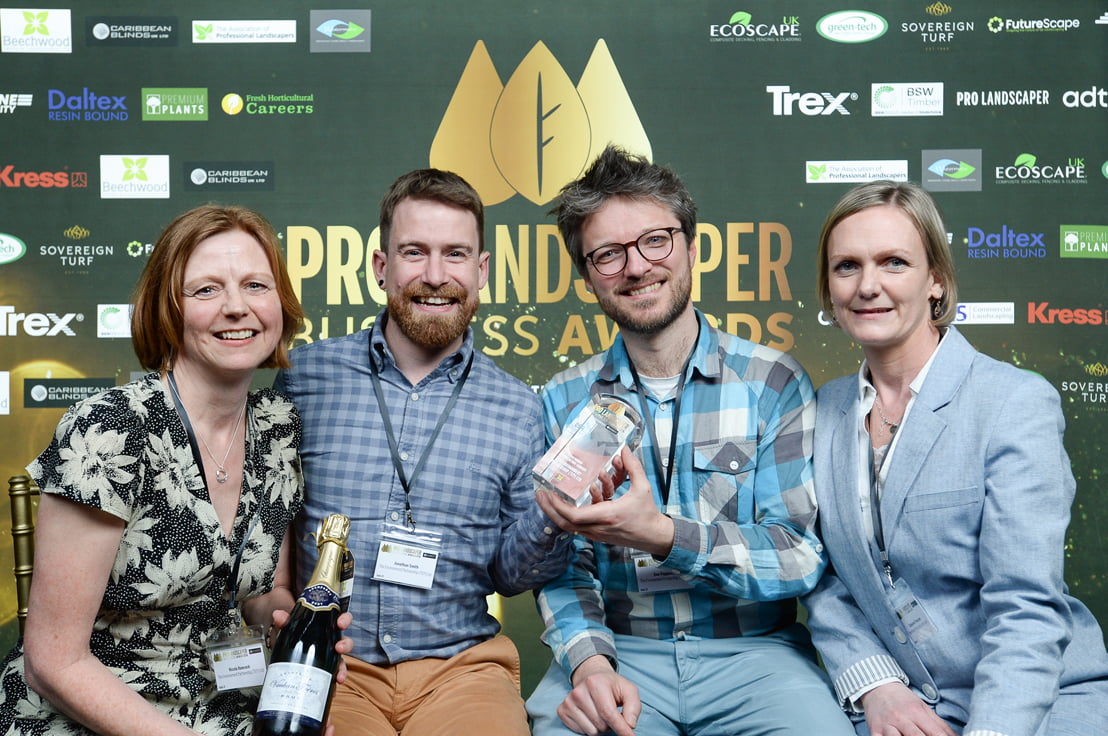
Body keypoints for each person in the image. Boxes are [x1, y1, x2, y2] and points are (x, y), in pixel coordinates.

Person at [526, 145, 854, 736]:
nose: (636, 267)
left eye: (656, 241)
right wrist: (590, 665)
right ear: (587, 277)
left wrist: (664, 535)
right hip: (620, 650)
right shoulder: (564, 398)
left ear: (692, 247)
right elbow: (562, 567)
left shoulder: (772, 382)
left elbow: (798, 555)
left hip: (757, 654)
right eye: (608, 254)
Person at [0, 205, 351, 736]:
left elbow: (263, 592)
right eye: (207, 290)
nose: (237, 307)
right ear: (168, 309)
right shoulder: (111, 430)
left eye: (256, 285)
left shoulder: (278, 427)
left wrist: (296, 630)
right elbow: (53, 663)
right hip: (90, 716)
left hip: (225, 707)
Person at [273, 167, 573, 736]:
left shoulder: (518, 406)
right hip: (333, 666)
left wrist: (554, 519)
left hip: (461, 670)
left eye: (456, 254)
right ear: (381, 267)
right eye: (414, 252)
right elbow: (266, 520)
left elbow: (510, 576)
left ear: (482, 270)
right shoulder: (304, 378)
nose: (436, 276)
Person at [804, 180, 1108, 736]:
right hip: (899, 705)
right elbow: (820, 576)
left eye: (894, 262)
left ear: (936, 281)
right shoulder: (821, 410)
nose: (868, 285)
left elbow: (1025, 607)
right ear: (829, 288)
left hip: (1038, 700)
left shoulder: (1012, 401)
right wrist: (877, 686)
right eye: (847, 266)